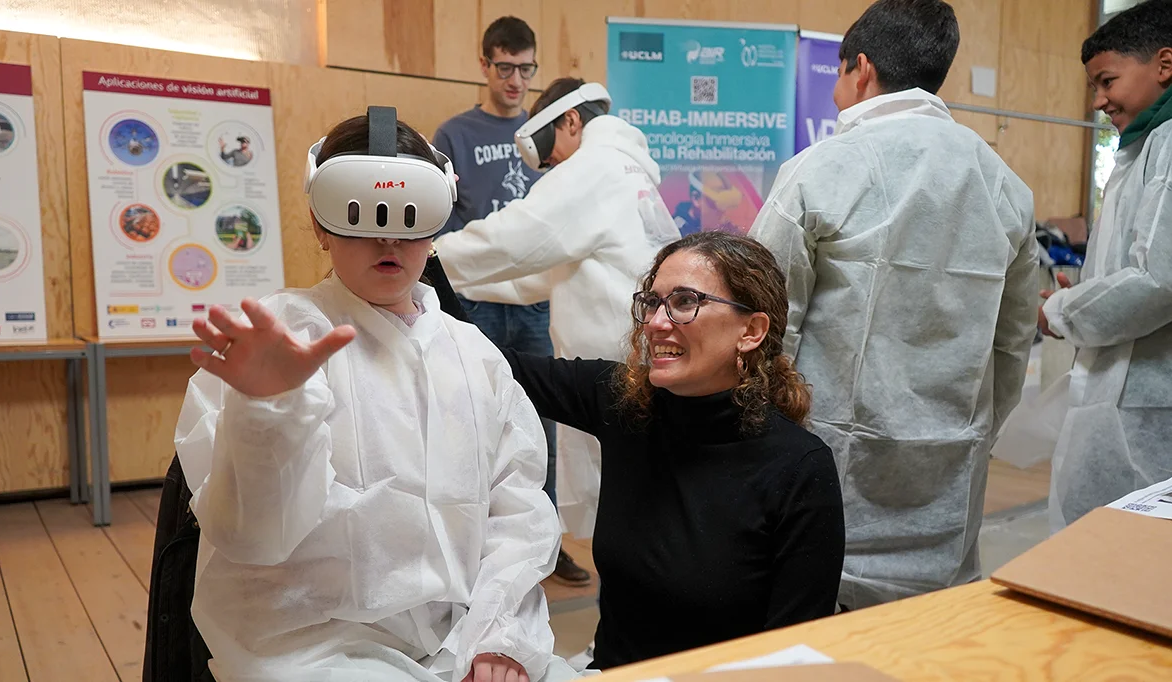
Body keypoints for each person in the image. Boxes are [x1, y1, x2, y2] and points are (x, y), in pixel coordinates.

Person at [174, 112, 574, 682]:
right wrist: (266, 413)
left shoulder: (475, 356)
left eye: (411, 217)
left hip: (467, 633)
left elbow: (518, 513)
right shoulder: (278, 341)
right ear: (320, 225)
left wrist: (503, 637)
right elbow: (250, 536)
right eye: (359, 217)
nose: (389, 238)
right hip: (313, 647)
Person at [748, 0, 1039, 610]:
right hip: (948, 469)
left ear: (861, 68)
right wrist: (972, 430)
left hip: (825, 463)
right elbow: (1011, 347)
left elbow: (761, 325)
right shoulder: (1003, 183)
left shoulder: (820, 170)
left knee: (819, 640)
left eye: (837, 76)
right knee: (923, 645)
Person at [496, 231, 844, 670]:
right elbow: (485, 362)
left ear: (751, 330)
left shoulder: (799, 469)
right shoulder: (625, 403)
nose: (656, 322)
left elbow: (795, 661)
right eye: (653, 302)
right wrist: (418, 242)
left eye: (684, 302)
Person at [434, 77, 681, 538]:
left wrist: (429, 256)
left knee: (624, 510)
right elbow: (541, 272)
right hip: (639, 356)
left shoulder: (595, 167)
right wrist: (446, 282)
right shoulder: (629, 169)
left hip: (615, 366)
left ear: (570, 120)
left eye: (550, 156)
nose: (549, 169)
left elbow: (515, 238)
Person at [431, 17, 590, 586]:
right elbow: (444, 222)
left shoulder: (549, 129)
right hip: (476, 299)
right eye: (506, 68)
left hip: (536, 300)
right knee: (475, 414)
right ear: (484, 66)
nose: (517, 80)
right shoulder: (453, 133)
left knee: (540, 415)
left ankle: (544, 544)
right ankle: (475, 543)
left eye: (527, 69)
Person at [1040, 0, 1172, 530]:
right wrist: (1090, 289)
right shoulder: (1142, 147)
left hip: (1147, 402)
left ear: (1165, 64)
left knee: (1123, 556)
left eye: (1108, 81)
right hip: (1126, 390)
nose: (1099, 101)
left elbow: (1157, 280)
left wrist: (1066, 310)